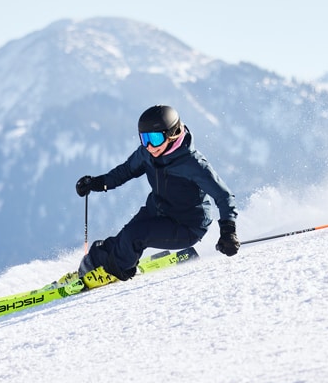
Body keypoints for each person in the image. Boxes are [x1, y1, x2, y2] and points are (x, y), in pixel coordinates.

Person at [73, 104, 239, 284]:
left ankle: (115, 270)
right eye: (144, 139)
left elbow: (224, 196)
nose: (150, 146)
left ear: (172, 133)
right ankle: (93, 264)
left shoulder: (193, 164)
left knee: (135, 236)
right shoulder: (147, 154)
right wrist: (96, 183)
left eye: (155, 138)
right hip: (158, 209)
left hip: (187, 225)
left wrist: (228, 232)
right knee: (123, 238)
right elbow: (126, 171)